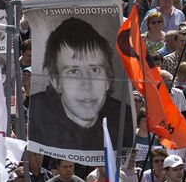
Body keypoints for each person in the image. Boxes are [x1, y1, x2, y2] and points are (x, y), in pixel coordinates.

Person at [27, 17, 133, 152]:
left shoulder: (124, 118)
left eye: (95, 70)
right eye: (73, 71)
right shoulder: (38, 117)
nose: (87, 84)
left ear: (108, 78)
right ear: (55, 81)